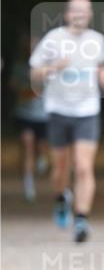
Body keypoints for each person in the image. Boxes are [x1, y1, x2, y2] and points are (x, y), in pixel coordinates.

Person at [29, 0, 104, 242]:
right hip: (58, 109)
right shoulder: (53, 39)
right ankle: (61, 198)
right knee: (60, 169)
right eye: (75, 11)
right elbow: (35, 71)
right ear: (68, 14)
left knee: (83, 166)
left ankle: (81, 220)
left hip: (87, 110)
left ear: (89, 15)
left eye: (85, 11)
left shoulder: (97, 40)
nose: (80, 15)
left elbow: (101, 67)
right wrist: (54, 68)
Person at [11, 34, 49, 201]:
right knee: (27, 144)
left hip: (42, 116)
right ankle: (28, 184)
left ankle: (42, 159)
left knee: (40, 147)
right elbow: (13, 87)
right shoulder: (19, 67)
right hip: (24, 114)